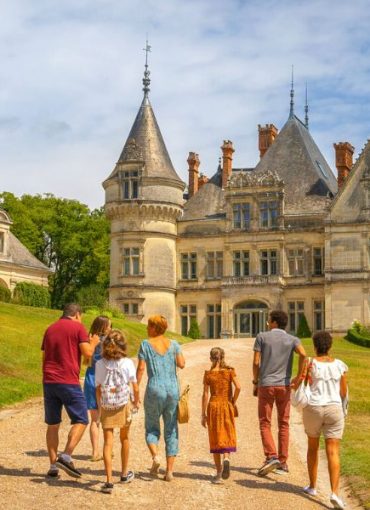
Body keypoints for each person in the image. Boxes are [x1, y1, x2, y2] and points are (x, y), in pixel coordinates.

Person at [41, 303, 100, 478]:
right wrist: (94, 342)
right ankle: (66, 456)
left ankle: (53, 466)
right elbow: (87, 353)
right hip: (68, 381)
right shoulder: (77, 327)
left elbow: (44, 357)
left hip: (49, 380)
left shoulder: (50, 329)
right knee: (82, 419)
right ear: (76, 314)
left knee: (53, 424)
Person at [252, 309, 306, 476]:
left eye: (269, 320)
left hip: (266, 385)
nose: (268, 322)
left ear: (275, 322)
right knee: (284, 423)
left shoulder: (262, 336)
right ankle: (282, 462)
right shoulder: (292, 339)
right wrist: (298, 377)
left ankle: (271, 457)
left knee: (265, 422)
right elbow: (304, 354)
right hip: (284, 385)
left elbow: (255, 362)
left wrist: (256, 381)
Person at [298, 331, 348, 510]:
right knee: (333, 451)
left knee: (313, 447)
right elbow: (343, 392)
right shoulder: (340, 365)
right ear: (330, 346)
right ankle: (335, 493)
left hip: (314, 408)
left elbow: (301, 382)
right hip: (334, 408)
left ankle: (312, 487)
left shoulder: (310, 363)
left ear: (315, 346)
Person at [136, 315, 185, 482]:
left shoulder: (145, 344)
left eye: (149, 326)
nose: (147, 329)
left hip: (155, 388)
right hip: (172, 389)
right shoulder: (174, 344)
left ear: (155, 328)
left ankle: (156, 457)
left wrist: (135, 388)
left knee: (151, 427)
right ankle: (169, 471)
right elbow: (182, 364)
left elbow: (141, 369)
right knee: (171, 428)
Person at [95, 329, 139, 494]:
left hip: (107, 405)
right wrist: (136, 401)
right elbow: (134, 385)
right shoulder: (127, 363)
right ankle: (124, 473)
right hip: (123, 404)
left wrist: (100, 407)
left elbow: (98, 388)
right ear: (123, 346)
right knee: (125, 437)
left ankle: (108, 480)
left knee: (108, 442)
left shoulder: (100, 364)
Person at [201, 347, 241, 483]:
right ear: (223, 357)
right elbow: (239, 387)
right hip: (226, 404)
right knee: (227, 433)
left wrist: (203, 414)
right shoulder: (229, 371)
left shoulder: (208, 374)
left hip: (213, 405)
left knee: (215, 437)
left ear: (211, 358)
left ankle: (218, 474)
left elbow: (205, 394)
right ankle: (227, 458)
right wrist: (232, 401)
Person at [83, 315, 111, 461]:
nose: (110, 329)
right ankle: (107, 449)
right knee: (106, 418)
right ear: (103, 327)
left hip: (90, 377)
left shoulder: (88, 339)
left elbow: (85, 360)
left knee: (94, 419)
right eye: (109, 326)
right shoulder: (108, 341)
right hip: (104, 379)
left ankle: (95, 452)